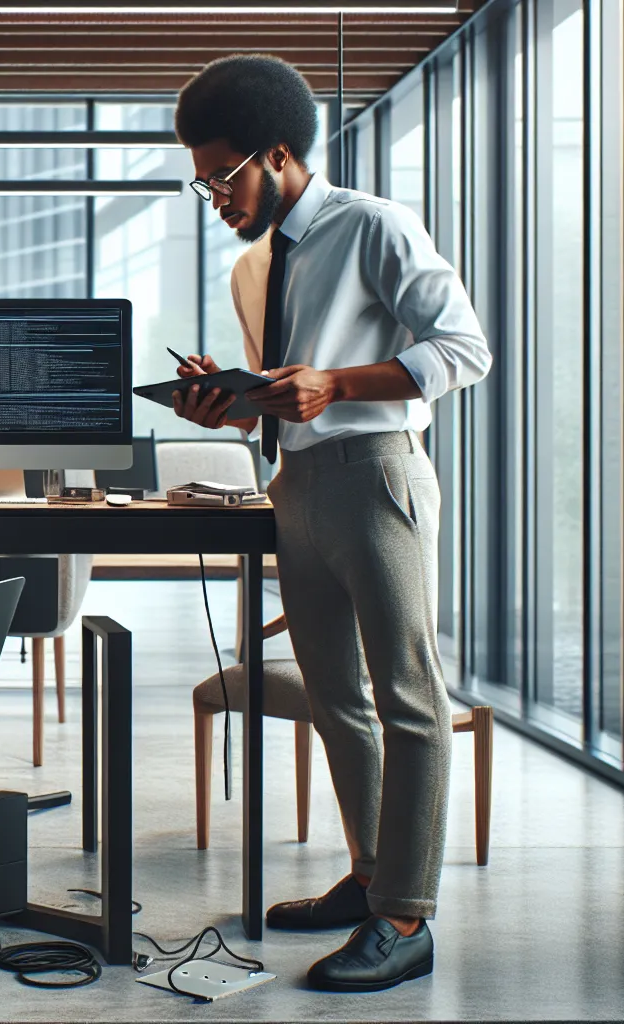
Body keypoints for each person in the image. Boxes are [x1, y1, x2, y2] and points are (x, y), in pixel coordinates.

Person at [172, 55, 492, 992]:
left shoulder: (374, 226)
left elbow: (465, 348)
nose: (214, 198)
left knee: (408, 697)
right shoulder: (251, 268)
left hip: (376, 473)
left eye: (223, 176)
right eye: (202, 182)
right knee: (336, 700)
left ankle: (407, 917)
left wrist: (335, 384)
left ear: (277, 155)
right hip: (296, 486)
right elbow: (281, 400)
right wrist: (228, 404)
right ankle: (369, 877)